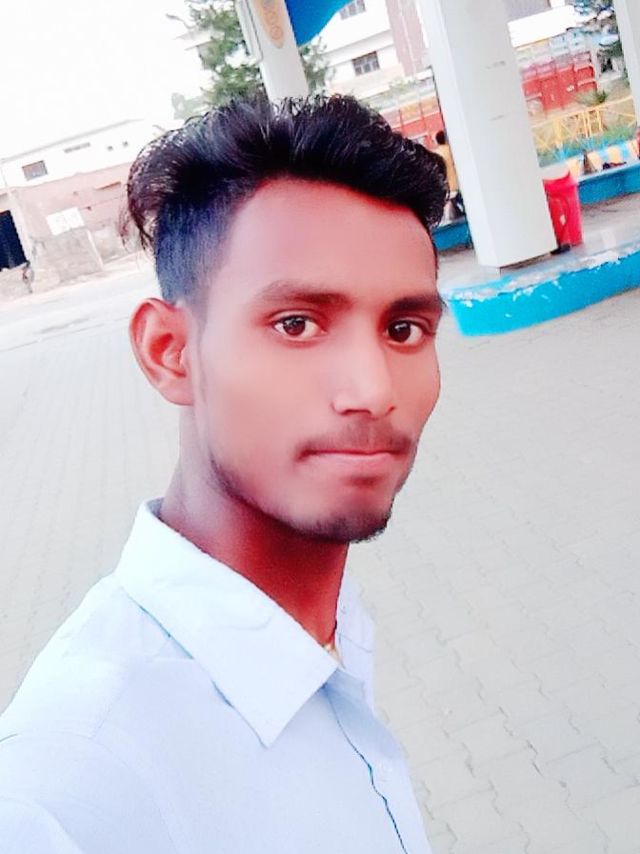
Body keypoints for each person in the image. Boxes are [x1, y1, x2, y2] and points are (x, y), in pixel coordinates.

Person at [0, 96, 446, 853]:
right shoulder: (69, 791)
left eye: (404, 329)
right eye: (296, 324)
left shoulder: (323, 630)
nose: (374, 390)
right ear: (170, 352)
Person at [434, 128, 464, 219]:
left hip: (448, 187)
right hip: (459, 184)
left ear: (437, 141)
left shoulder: (436, 154)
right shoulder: (453, 150)